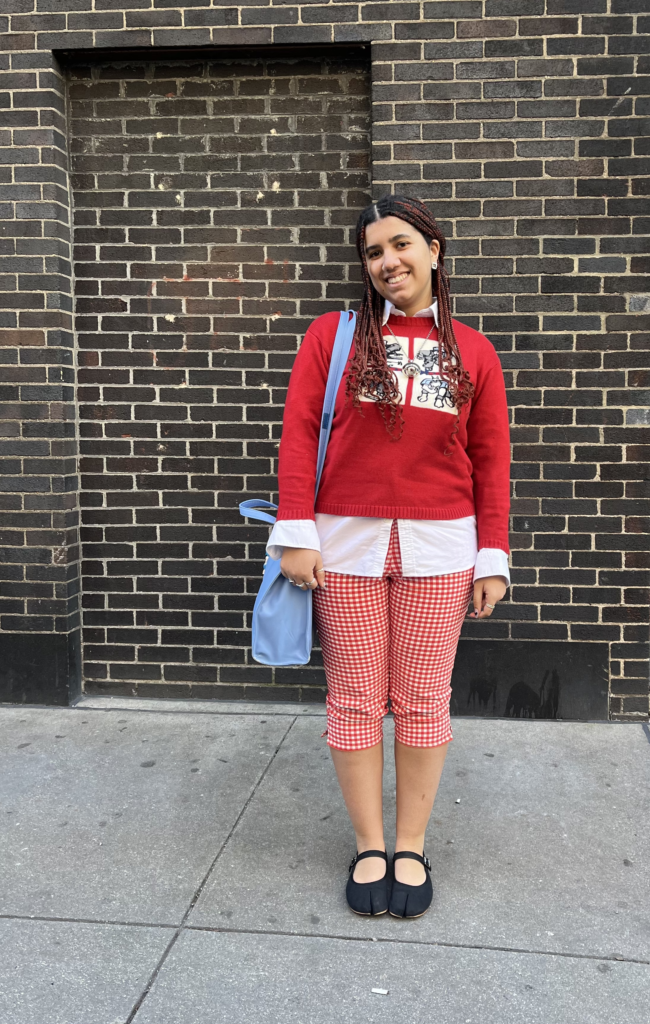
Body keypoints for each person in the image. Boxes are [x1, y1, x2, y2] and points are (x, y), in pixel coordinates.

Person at [266, 194, 511, 919]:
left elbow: (490, 459)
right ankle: (369, 844)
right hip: (343, 546)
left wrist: (491, 555)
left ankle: (411, 844)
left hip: (443, 548)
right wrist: (296, 533)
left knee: (423, 700)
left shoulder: (473, 350)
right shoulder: (331, 338)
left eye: (399, 244)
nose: (386, 262)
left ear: (435, 249)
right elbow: (298, 433)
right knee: (353, 700)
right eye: (373, 252)